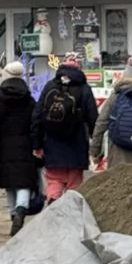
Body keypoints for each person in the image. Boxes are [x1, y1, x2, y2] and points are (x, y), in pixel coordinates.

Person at [0, 61, 38, 236]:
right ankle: (21, 210)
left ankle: (13, 215)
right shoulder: (30, 99)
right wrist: (38, 145)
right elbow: (35, 125)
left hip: (5, 146)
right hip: (26, 146)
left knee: (10, 184)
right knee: (25, 183)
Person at [32, 53, 98, 203]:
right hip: (77, 143)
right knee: (74, 183)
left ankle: (53, 203)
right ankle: (71, 213)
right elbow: (93, 117)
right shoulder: (84, 89)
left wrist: (37, 144)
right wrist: (97, 146)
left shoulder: (50, 86)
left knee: (54, 179)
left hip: (52, 143)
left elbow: (37, 116)